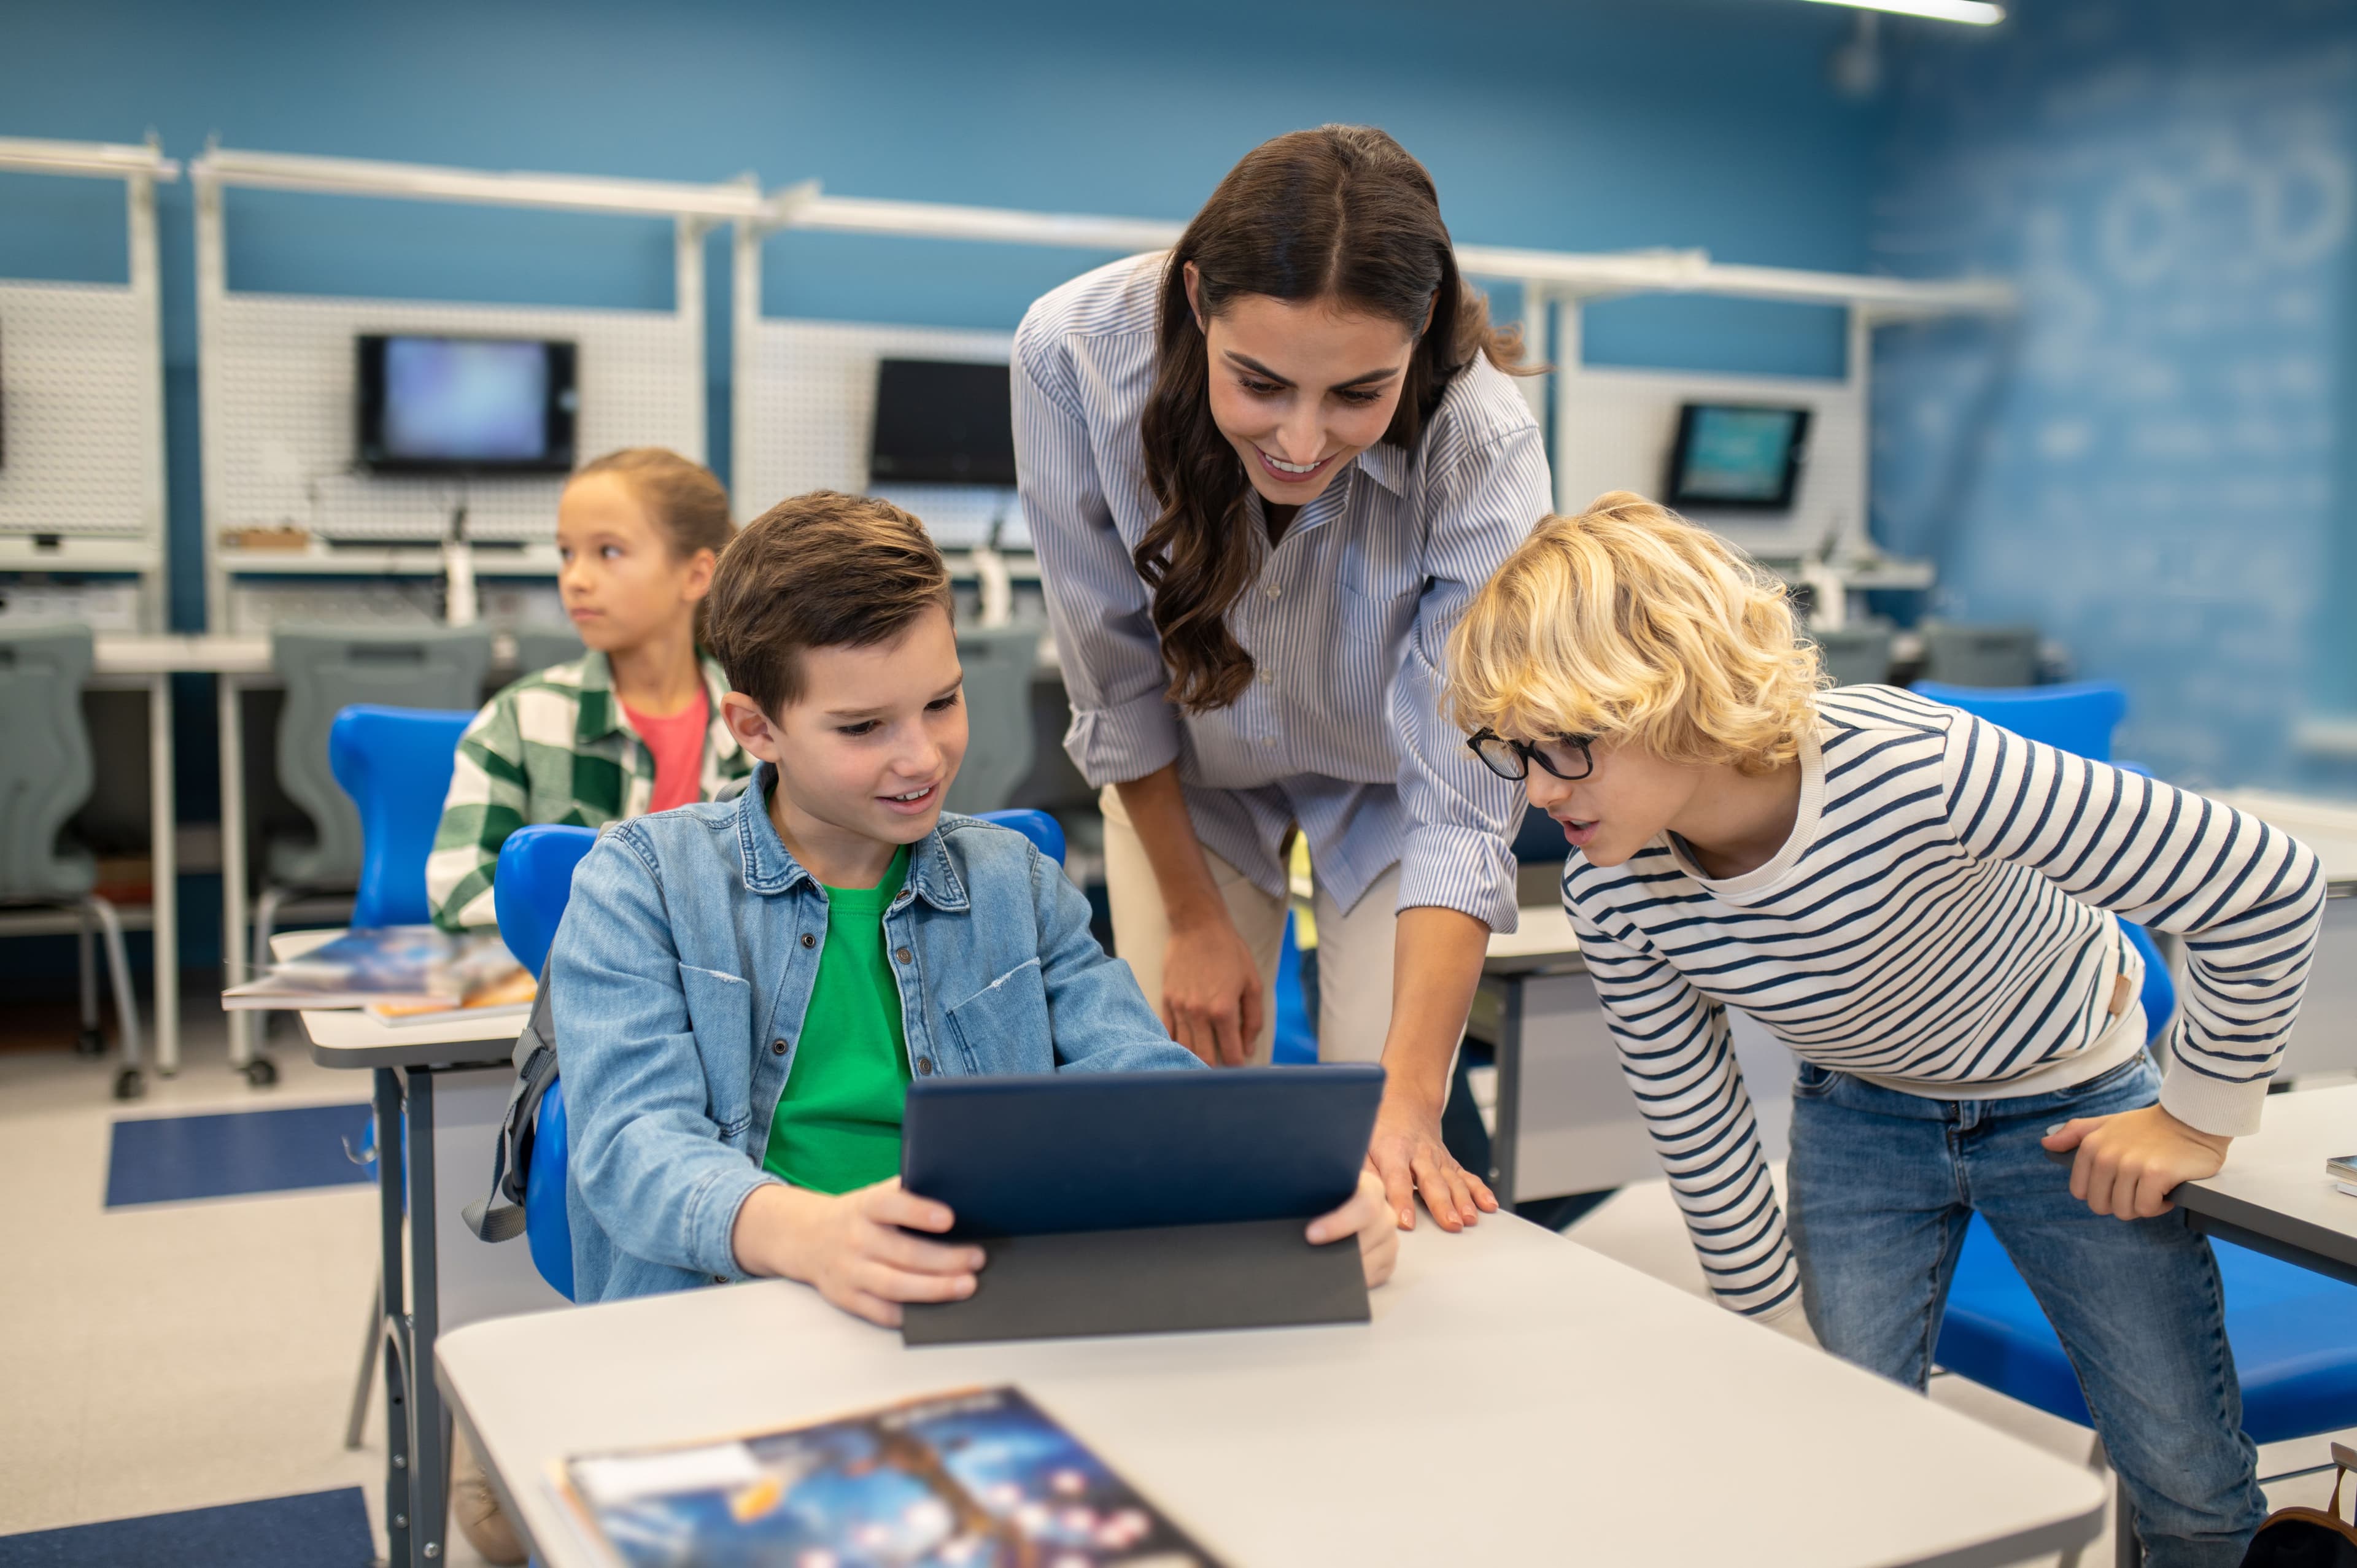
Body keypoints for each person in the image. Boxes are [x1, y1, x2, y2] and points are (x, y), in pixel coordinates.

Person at [1444, 492, 2324, 1567]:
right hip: (1861, 1117)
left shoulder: (1920, 768)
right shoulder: (1614, 889)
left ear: (1676, 695)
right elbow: (1694, 1114)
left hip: (2071, 1104)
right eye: (1514, 752)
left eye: (1568, 746)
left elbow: (2264, 881)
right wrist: (1769, 1332)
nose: (1538, 791)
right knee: (1839, 1460)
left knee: (2184, 1473)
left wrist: (2196, 1119)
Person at [546, 490, 1398, 1312]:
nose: (921, 756)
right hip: (729, 1317)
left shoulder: (1014, 881)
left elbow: (1141, 1088)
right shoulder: (642, 881)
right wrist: (815, 1234)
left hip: (973, 1303)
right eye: (863, 727)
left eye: (942, 702)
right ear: (757, 727)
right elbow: (632, 1147)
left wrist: (1285, 1190)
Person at [1014, 124, 1550, 1233]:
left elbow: (1464, 792)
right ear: (1201, 299)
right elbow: (1112, 679)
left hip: (1393, 786)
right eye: (1260, 384)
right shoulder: (1071, 355)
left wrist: (1408, 1107)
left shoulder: (1483, 436)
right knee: (1191, 1129)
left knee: (1389, 1141)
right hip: (1191, 778)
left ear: (1420, 338)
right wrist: (1195, 920)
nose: (1302, 442)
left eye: (1359, 395)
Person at [426, 446, 750, 931]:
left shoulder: (759, 728)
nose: (575, 578)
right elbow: (457, 891)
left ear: (697, 574)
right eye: (566, 553)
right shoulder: (519, 720)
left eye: (609, 551)